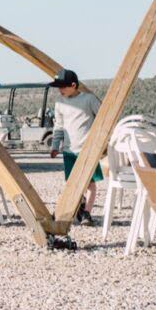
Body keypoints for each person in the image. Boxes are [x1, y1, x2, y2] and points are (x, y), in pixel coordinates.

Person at [49, 68, 104, 220]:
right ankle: (77, 206)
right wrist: (55, 146)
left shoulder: (89, 99)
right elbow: (58, 126)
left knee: (90, 183)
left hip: (87, 150)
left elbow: (103, 118)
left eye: (62, 86)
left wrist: (102, 143)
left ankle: (87, 212)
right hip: (69, 151)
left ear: (73, 85)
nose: (60, 90)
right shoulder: (60, 103)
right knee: (71, 183)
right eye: (58, 87)